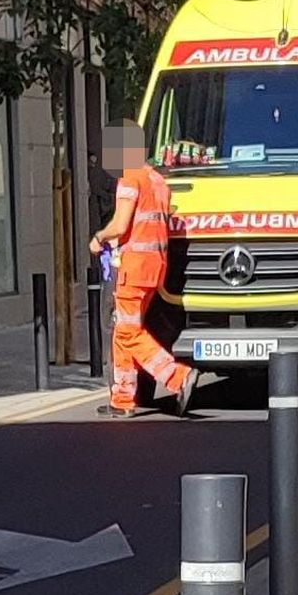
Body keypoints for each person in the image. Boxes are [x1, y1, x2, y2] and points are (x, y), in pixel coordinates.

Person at [89, 120, 201, 418]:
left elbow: (121, 225)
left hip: (134, 266)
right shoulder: (158, 180)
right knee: (125, 330)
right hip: (155, 267)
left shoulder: (130, 178)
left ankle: (177, 376)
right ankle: (123, 399)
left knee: (126, 332)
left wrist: (99, 238)